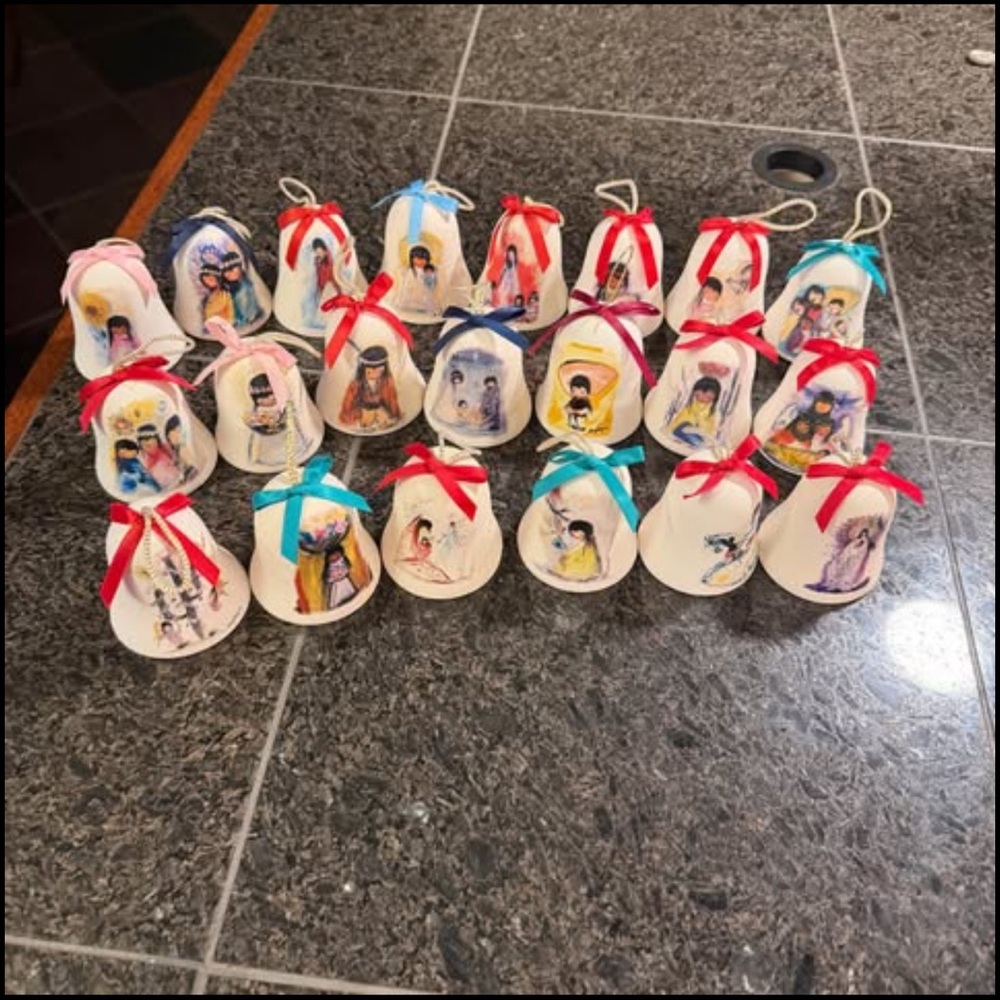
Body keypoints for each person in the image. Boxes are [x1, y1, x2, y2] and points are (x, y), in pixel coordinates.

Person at [338, 345, 401, 430]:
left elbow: (392, 401)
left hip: (381, 412)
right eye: (369, 372)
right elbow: (347, 408)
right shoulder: (356, 384)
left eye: (379, 371)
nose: (374, 374)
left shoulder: (387, 381)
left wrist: (393, 415)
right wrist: (362, 413)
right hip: (362, 413)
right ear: (363, 370)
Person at [666, 375, 722, 447]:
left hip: (700, 434)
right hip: (683, 429)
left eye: (708, 397)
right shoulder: (691, 406)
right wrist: (670, 429)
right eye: (698, 395)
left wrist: (701, 430)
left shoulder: (712, 412)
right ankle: (699, 443)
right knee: (683, 428)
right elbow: (680, 419)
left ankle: (699, 443)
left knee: (696, 436)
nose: (703, 399)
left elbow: (709, 428)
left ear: (714, 399)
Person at [221, 250, 263, 327]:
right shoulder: (233, 286)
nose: (226, 274)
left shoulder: (245, 290)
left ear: (239, 267)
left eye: (230, 269)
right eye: (224, 271)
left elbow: (247, 315)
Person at [397, 245, 439, 314]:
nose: (420, 261)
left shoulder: (430, 271)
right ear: (412, 259)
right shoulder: (408, 270)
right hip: (410, 300)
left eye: (423, 259)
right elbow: (404, 285)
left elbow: (432, 286)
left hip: (425, 299)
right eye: (417, 258)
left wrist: (430, 276)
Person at [136, 424, 178, 489]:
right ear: (140, 443)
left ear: (157, 439)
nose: (147, 442)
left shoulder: (165, 448)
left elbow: (175, 459)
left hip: (174, 479)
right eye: (143, 440)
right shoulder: (141, 457)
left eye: (151, 439)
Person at [164, 414, 197, 483]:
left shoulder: (184, 448)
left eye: (179, 431)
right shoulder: (175, 451)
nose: (175, 435)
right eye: (171, 433)